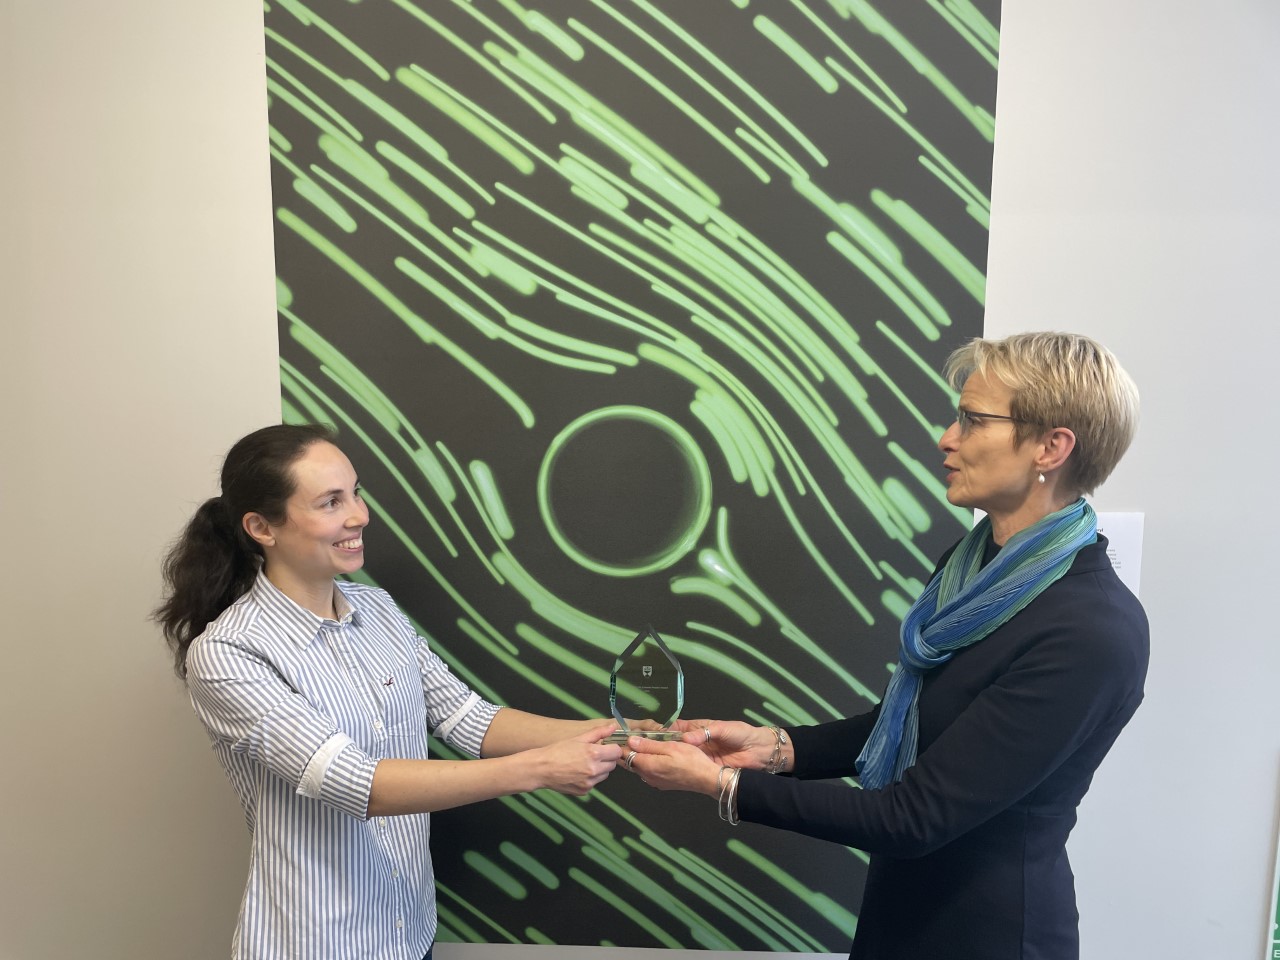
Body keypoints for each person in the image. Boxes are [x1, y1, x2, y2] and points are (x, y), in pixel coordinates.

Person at [622, 332, 1149, 960]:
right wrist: (777, 748)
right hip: (902, 914)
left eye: (972, 420)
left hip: (987, 936)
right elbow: (915, 723)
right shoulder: (973, 567)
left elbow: (914, 817)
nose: (946, 439)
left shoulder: (1091, 630)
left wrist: (721, 783)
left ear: (1051, 446)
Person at [154, 424, 624, 960]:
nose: (359, 515)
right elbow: (355, 783)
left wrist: (624, 734)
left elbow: (468, 718)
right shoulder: (228, 653)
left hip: (407, 931)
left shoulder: (376, 609)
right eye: (331, 502)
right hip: (318, 942)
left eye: (356, 492)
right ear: (262, 527)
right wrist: (541, 769)